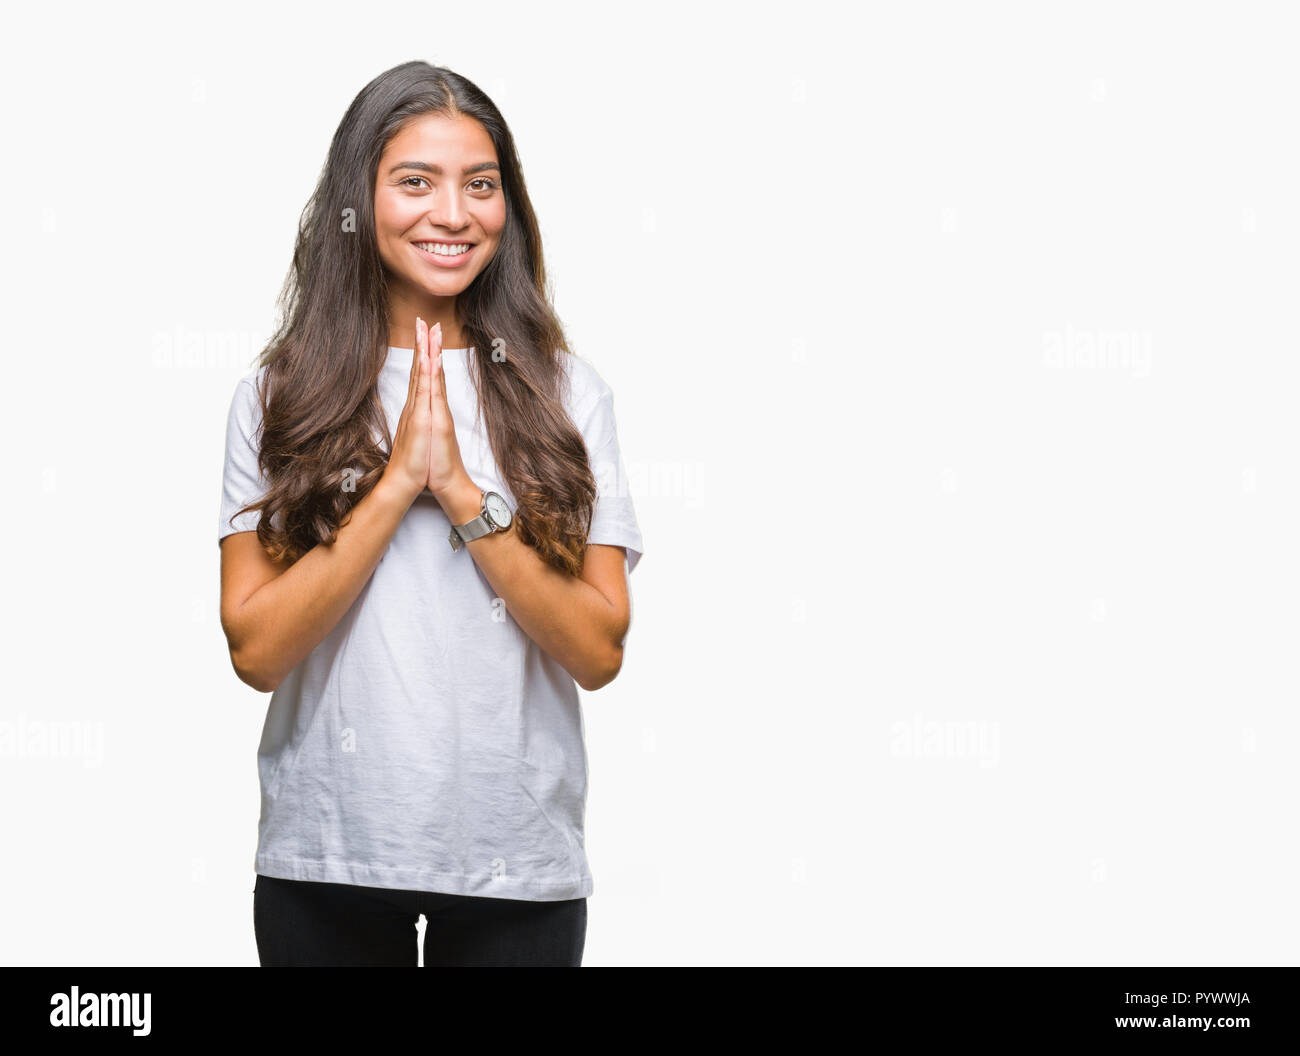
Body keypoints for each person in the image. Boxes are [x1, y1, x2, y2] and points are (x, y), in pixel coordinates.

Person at [216, 61, 644, 967]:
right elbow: (255, 652)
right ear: (357, 202)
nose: (453, 214)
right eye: (416, 181)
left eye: (480, 185)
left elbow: (599, 651)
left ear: (508, 207)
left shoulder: (570, 394)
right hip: (326, 860)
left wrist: (460, 492)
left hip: (515, 869)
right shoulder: (279, 394)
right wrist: (398, 481)